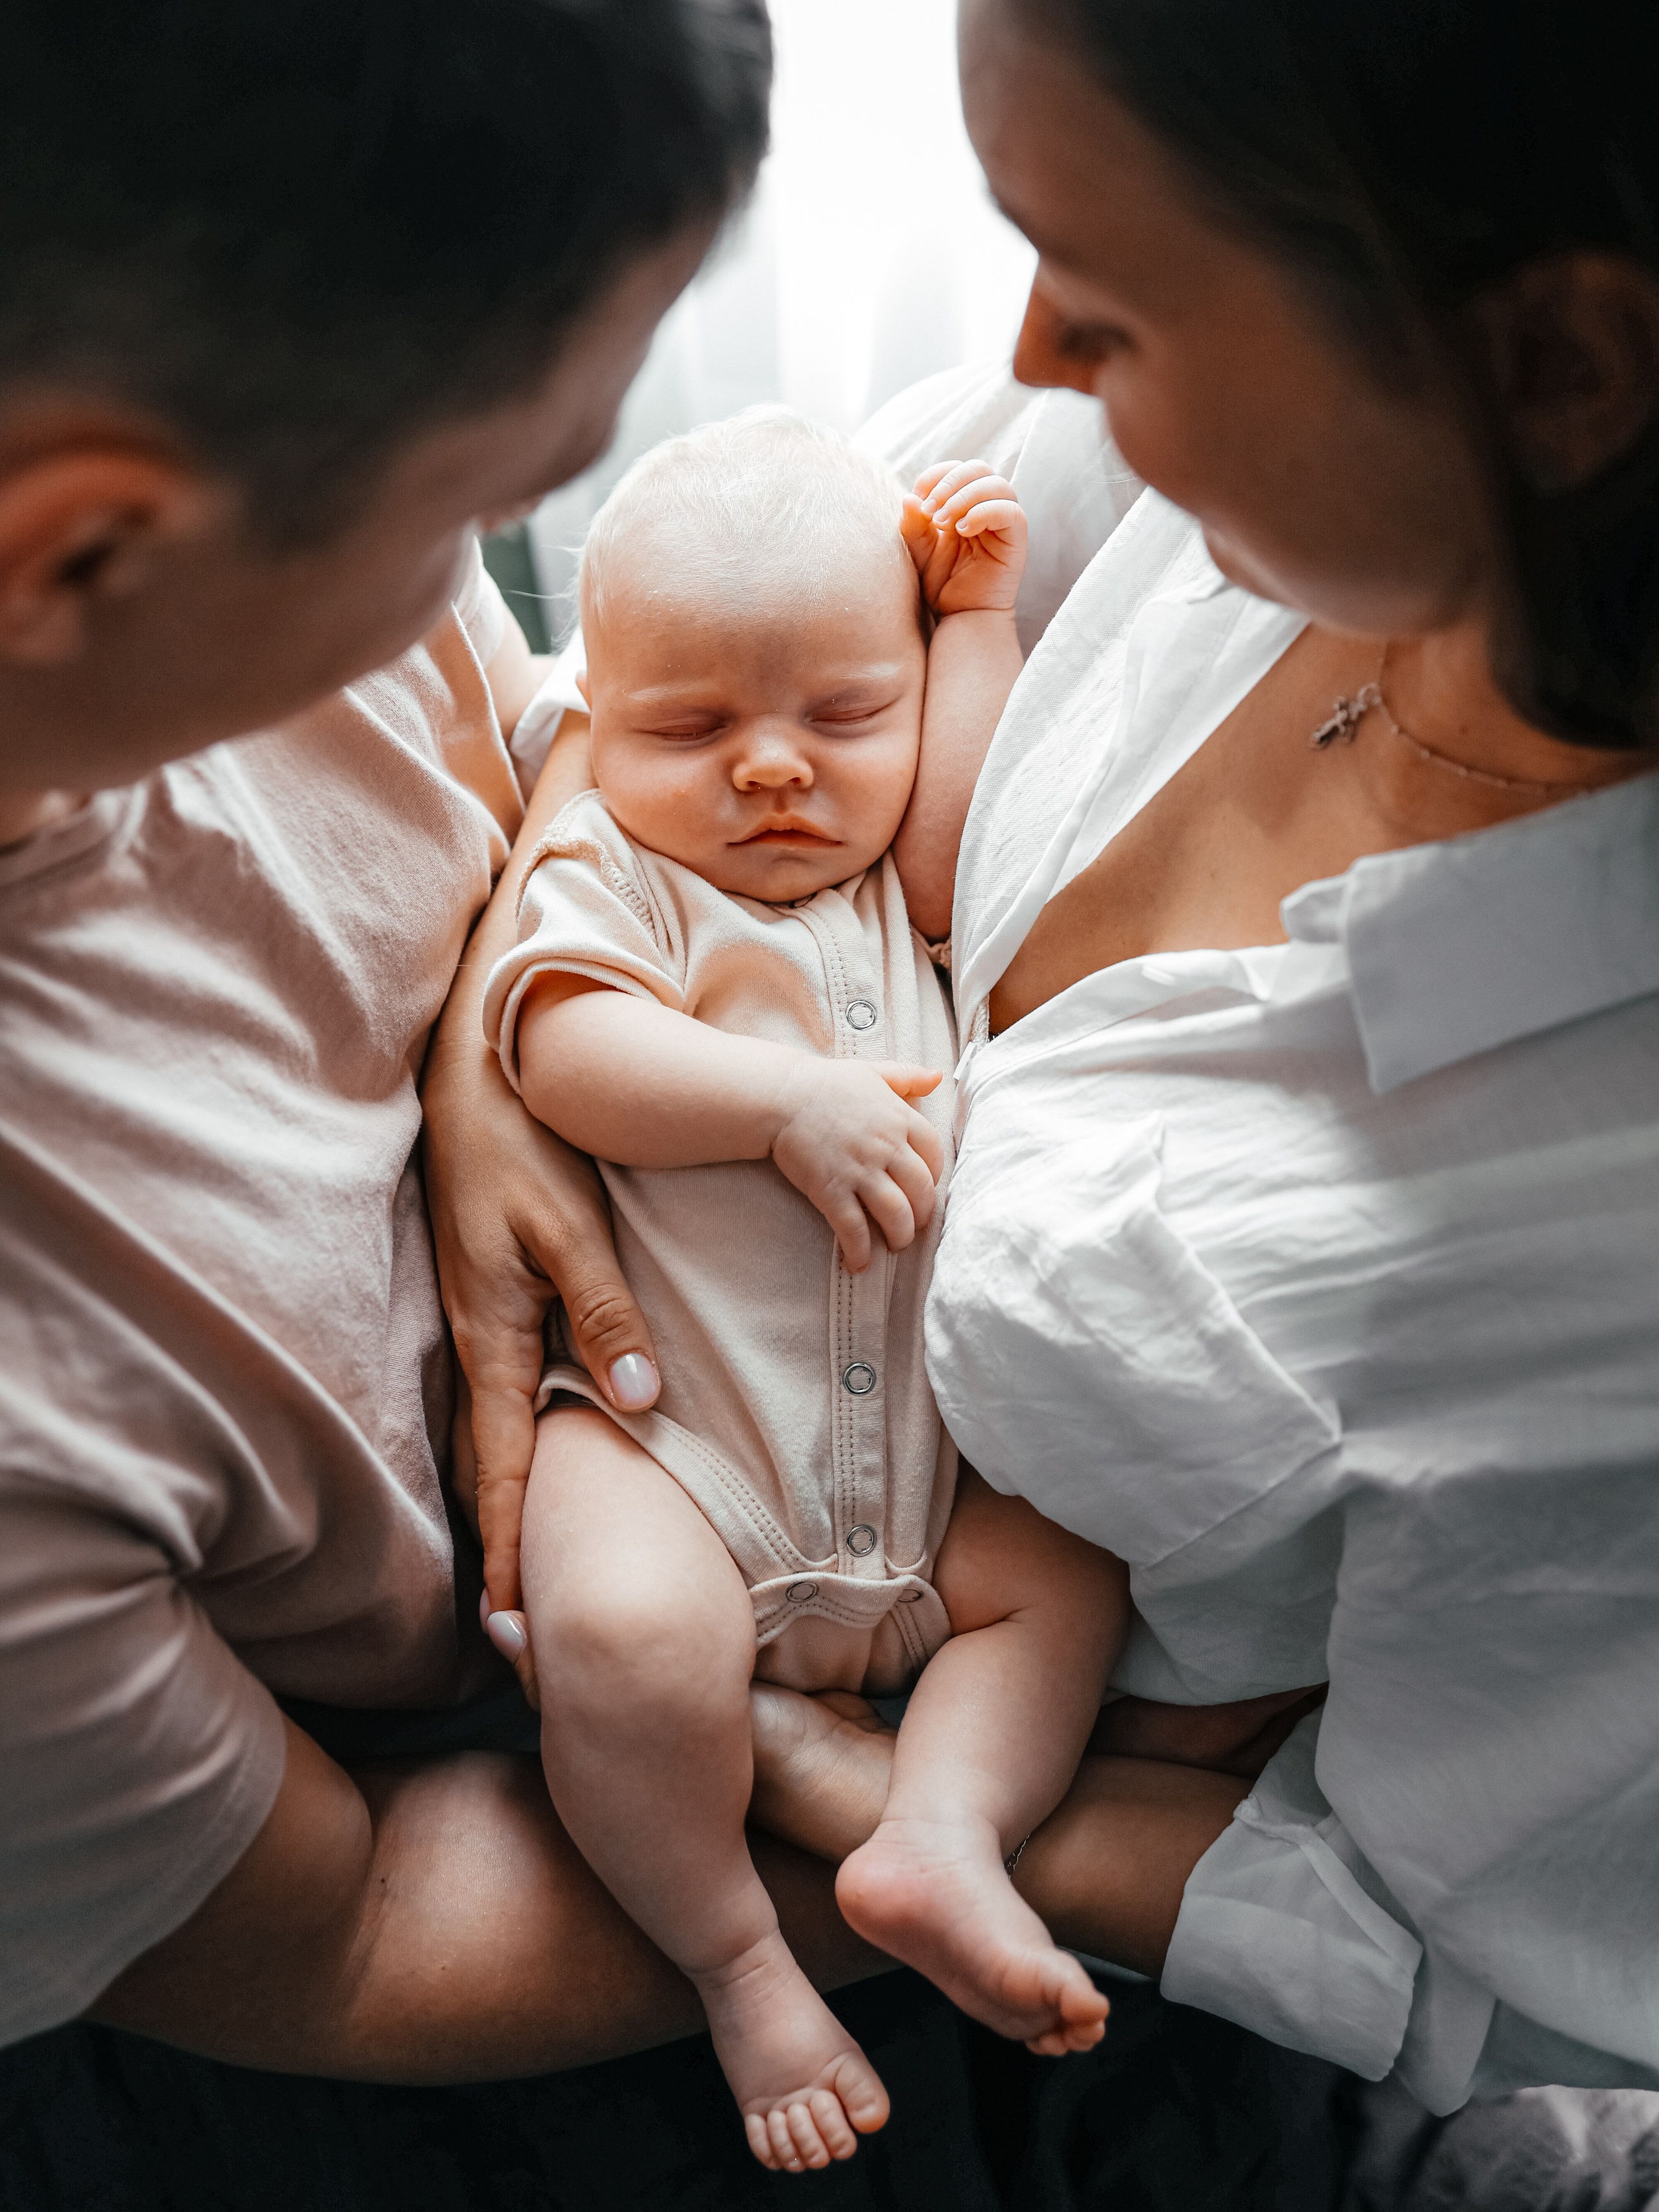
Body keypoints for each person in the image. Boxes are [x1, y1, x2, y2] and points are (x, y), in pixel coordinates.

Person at [737, 0, 1659, 2123]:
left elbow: (1530, 1979)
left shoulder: (1592, 1221)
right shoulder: (1291, 490)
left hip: (921, 1931)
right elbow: (749, 599)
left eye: (1115, 297)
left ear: (1560, 368)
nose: (1036, 344)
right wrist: (532, 1046)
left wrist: (928, 1809)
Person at [0, 0, 909, 2090]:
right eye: (480, 506)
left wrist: (496, 1047)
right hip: (487, 1865)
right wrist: (1060, 1850)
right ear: (88, 548)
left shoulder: (229, 497)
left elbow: (559, 737)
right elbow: (354, 1943)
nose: (488, 581)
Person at [480, 410, 1115, 2168]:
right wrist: (782, 1105)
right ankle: (740, 1961)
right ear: (599, 720)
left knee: (1068, 1581)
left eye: (844, 715)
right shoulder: (621, 876)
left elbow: (974, 814)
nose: (772, 771)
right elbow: (563, 1049)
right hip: (683, 1457)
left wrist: (973, 623)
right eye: (691, 730)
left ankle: (942, 1834)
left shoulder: (915, 888)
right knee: (618, 1638)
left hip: (937, 1495)